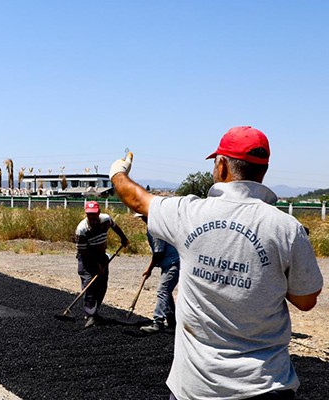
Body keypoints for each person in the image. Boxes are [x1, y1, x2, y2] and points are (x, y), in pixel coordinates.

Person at [110, 126, 323, 400]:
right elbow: (306, 301)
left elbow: (135, 199)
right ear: (264, 170)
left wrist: (118, 170)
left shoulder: (188, 213)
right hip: (265, 386)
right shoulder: (287, 228)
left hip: (197, 388)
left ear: (222, 165)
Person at [75, 200, 129, 328]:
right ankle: (91, 316)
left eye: (94, 214)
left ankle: (94, 311)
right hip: (86, 258)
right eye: (89, 214)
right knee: (89, 286)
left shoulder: (106, 219)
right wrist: (97, 265)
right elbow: (83, 251)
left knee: (102, 285)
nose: (92, 217)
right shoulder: (82, 229)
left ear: (98, 212)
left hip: (101, 255)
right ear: (86, 214)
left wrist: (123, 238)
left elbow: (114, 226)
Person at [135, 213, 180, 334]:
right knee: (166, 291)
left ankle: (158, 322)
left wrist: (149, 269)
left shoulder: (155, 230)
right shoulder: (158, 226)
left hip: (173, 263)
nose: (143, 220)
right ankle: (172, 321)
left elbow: (158, 253)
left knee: (162, 291)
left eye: (144, 217)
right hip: (170, 262)